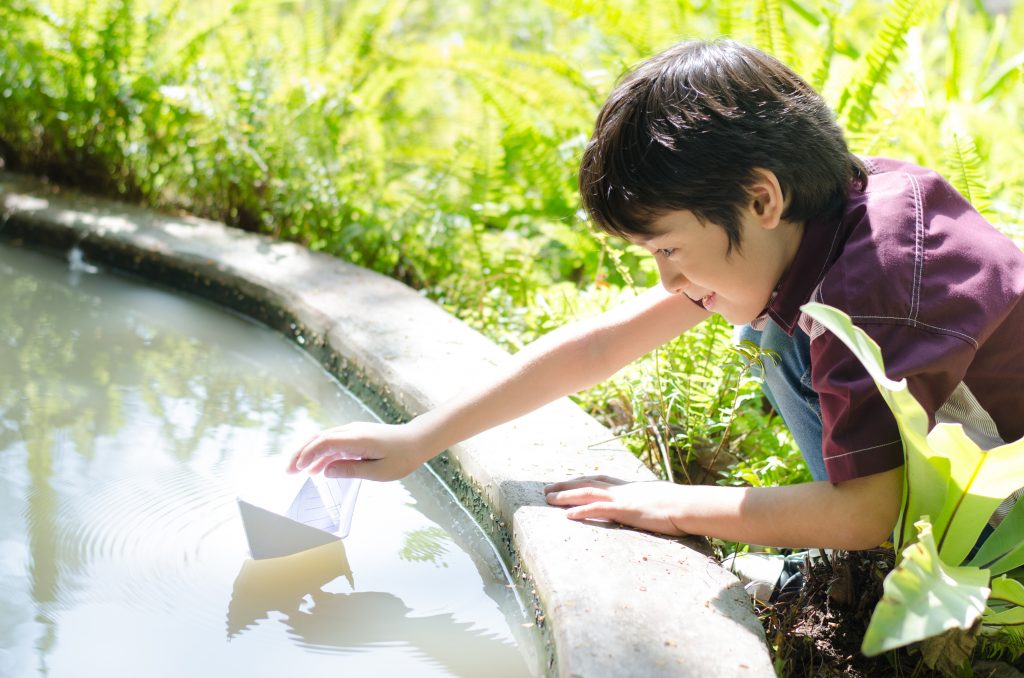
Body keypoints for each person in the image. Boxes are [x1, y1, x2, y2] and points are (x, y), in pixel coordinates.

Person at [288, 39, 1024, 557]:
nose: (668, 281)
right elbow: (605, 343)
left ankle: (951, 599)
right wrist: (422, 437)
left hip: (1010, 524)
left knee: (786, 343)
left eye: (668, 249)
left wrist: (665, 506)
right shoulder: (818, 221)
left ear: (760, 198)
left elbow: (870, 511)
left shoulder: (866, 295)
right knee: (773, 328)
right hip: (968, 447)